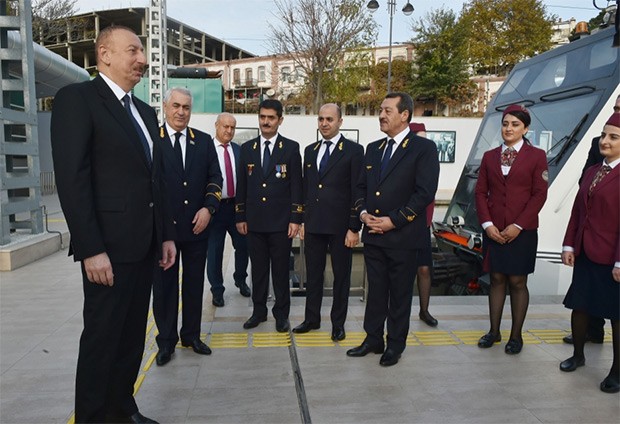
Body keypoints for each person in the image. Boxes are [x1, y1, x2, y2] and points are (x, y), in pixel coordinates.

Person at [50, 25, 176, 423]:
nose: (143, 59)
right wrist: (91, 248)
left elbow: (154, 180)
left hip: (144, 245)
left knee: (132, 336)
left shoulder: (145, 112)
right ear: (104, 54)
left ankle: (122, 409)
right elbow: (73, 179)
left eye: (142, 52)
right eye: (133, 50)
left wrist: (165, 236)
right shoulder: (78, 100)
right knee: (102, 339)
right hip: (107, 249)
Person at [347, 92, 439, 366]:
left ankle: (395, 345)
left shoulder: (423, 149)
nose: (381, 115)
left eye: (387, 110)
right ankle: (373, 338)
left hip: (403, 236)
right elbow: (361, 187)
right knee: (376, 291)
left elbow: (424, 193)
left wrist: (393, 221)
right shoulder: (373, 148)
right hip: (374, 235)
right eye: (381, 110)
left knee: (399, 294)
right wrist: (363, 214)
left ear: (404, 115)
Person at [152, 87, 222, 366]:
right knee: (165, 288)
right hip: (164, 231)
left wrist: (208, 208)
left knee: (194, 285)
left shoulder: (203, 141)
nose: (181, 112)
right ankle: (166, 342)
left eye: (186, 107)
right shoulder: (152, 139)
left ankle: (191, 336)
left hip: (196, 228)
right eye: (176, 106)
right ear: (165, 107)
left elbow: (215, 178)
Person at [475, 104, 548, 355]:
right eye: (505, 124)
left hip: (522, 230)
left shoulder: (537, 156)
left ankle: (516, 336)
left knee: (517, 281)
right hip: (494, 229)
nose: (509, 128)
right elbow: (480, 193)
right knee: (496, 279)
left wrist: (518, 225)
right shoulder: (489, 156)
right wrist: (487, 225)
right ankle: (494, 331)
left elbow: (539, 195)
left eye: (515, 124)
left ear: (525, 129)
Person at [559, 112, 620, 394]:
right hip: (585, 251)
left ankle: (617, 371)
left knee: (616, 315)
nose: (604, 141)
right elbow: (577, 211)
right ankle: (578, 356)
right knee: (580, 305)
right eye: (604, 135)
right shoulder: (592, 171)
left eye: (613, 137)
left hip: (611, 257)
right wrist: (569, 244)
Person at [292, 103, 364, 341]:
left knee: (341, 277)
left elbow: (357, 190)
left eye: (329, 119)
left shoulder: (354, 151)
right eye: (321, 119)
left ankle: (338, 324)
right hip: (314, 224)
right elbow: (306, 188)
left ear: (340, 122)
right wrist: (302, 220)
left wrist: (354, 227)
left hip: (341, 226)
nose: (324, 123)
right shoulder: (310, 150)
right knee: (313, 275)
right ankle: (311, 319)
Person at [235, 99, 303, 332]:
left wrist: (295, 219)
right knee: (258, 270)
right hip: (254, 222)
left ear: (280, 120)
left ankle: (281, 314)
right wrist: (240, 216)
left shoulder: (291, 148)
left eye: (271, 118)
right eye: (262, 117)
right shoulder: (247, 148)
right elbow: (242, 185)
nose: (266, 122)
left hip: (281, 223)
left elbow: (296, 186)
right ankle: (259, 311)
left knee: (281, 271)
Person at [207, 113, 251, 307]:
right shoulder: (206, 150)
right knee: (214, 251)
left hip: (236, 208)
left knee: (243, 246)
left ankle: (240, 279)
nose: (229, 131)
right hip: (214, 209)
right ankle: (217, 289)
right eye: (225, 126)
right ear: (216, 125)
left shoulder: (239, 150)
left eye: (232, 127)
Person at [409, 122, 438, 327]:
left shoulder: (429, 158)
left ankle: (424, 310)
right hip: (402, 223)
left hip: (422, 224)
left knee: (425, 269)